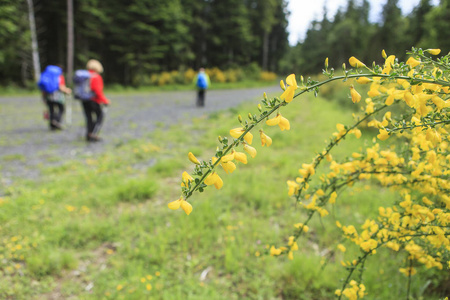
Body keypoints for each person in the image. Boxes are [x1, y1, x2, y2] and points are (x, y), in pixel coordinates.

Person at [82, 59, 110, 142]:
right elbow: (97, 90)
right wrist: (105, 100)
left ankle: (89, 134)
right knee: (100, 116)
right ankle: (93, 134)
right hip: (94, 100)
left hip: (84, 100)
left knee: (89, 117)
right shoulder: (96, 77)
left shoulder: (85, 76)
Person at [40, 65, 72, 130]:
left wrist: (43, 97)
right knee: (61, 109)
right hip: (58, 96)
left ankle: (52, 125)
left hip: (48, 96)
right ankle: (57, 121)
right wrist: (67, 91)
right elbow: (61, 87)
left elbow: (43, 89)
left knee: (51, 110)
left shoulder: (47, 76)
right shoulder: (59, 76)